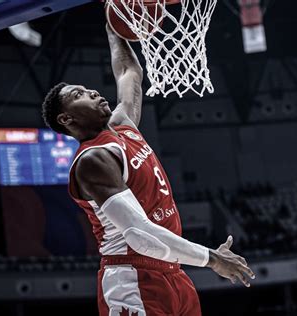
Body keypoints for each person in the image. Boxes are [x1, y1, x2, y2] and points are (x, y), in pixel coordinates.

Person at [41, 24, 255, 316]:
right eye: (79, 94)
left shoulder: (123, 124)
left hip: (173, 272)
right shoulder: (93, 160)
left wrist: (114, 23)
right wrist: (212, 259)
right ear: (66, 119)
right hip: (131, 277)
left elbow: (129, 72)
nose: (91, 91)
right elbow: (139, 234)